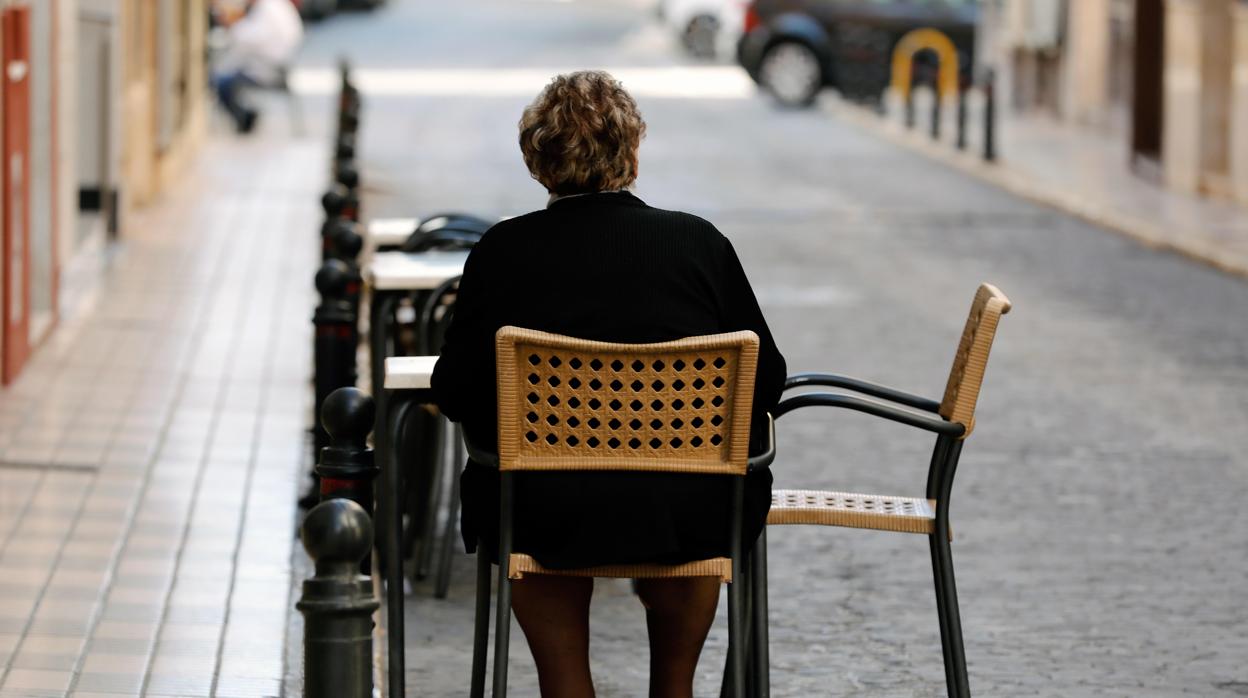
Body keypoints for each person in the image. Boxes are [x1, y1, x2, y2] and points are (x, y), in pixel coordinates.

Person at [431, 70, 786, 698]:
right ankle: (674, 688)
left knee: (531, 495)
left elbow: (455, 391)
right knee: (697, 485)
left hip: (543, 511)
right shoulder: (697, 244)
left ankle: (568, 687)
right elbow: (768, 382)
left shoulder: (503, 250)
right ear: (633, 155)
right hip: (687, 511)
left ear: (536, 163)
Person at [211, 0, 303, 133]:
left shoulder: (268, 8)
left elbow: (248, 37)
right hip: (277, 66)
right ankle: (247, 117)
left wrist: (230, 24)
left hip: (269, 69)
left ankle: (246, 120)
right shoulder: (275, 5)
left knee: (221, 82)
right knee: (227, 75)